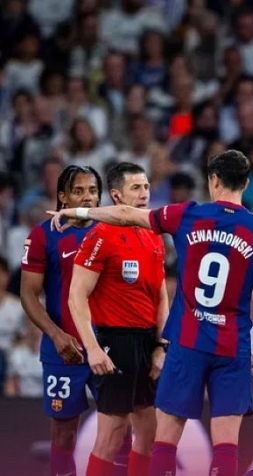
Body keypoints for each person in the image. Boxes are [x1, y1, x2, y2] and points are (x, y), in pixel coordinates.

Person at [49, 149, 253, 476]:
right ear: (246, 183)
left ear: (213, 180)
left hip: (187, 342)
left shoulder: (186, 214)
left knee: (164, 438)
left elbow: (126, 215)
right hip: (232, 345)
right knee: (226, 443)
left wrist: (78, 211)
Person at [68, 162, 167, 475]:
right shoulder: (101, 235)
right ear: (116, 195)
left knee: (148, 432)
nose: (144, 194)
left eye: (146, 187)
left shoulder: (154, 235)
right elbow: (76, 296)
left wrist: (161, 346)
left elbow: (162, 297)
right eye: (135, 188)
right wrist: (93, 348)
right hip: (115, 340)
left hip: (147, 341)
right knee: (112, 435)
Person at [20, 165, 106, 476]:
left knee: (120, 431)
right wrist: (56, 335)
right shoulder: (43, 234)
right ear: (63, 197)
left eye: (93, 190)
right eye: (78, 191)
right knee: (64, 436)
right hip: (65, 350)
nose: (87, 197)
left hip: (108, 347)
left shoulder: (111, 231)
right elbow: (28, 294)